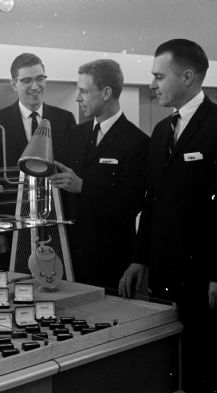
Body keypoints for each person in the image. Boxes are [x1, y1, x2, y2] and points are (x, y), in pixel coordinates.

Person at [119, 39, 217, 392]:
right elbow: (152, 201)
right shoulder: (162, 131)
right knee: (173, 363)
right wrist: (139, 258)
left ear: (188, 76)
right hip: (165, 271)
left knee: (207, 362)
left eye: (158, 76)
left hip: (207, 277)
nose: (152, 85)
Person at [49, 59, 148, 289]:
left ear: (106, 93)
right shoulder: (75, 134)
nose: (77, 98)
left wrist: (84, 187)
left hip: (110, 261)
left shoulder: (137, 142)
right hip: (70, 258)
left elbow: (129, 205)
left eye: (84, 91)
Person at [0, 53, 76, 269]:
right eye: (26, 80)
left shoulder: (65, 119)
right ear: (14, 84)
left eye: (40, 78)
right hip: (10, 230)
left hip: (54, 225)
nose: (35, 86)